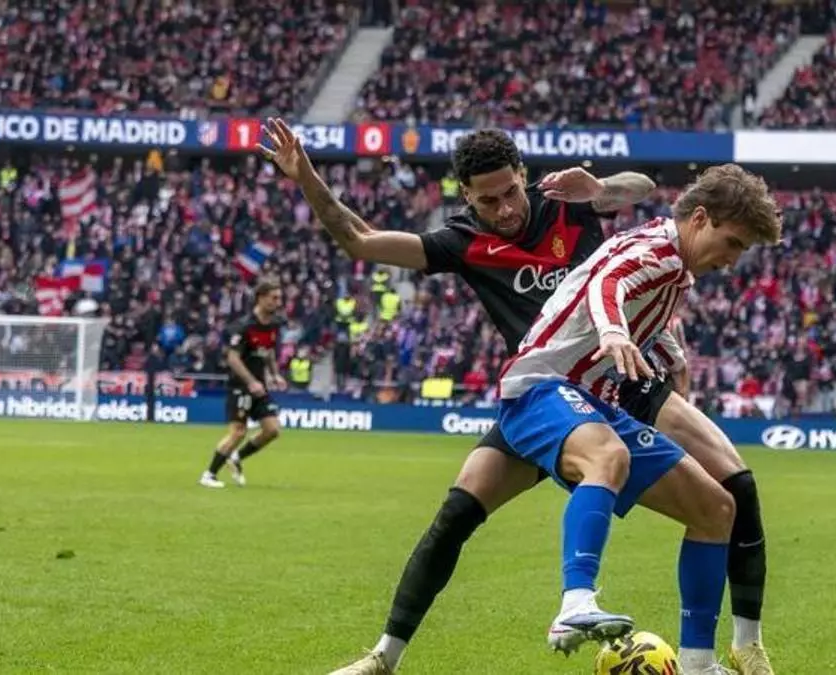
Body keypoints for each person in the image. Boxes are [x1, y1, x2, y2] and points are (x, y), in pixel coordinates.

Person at [258, 118, 776, 674]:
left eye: (511, 192)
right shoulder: (461, 241)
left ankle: (730, 651)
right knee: (457, 515)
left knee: (727, 497)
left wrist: (600, 188)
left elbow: (645, 190)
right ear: (466, 196)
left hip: (616, 384)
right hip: (543, 384)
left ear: (523, 175)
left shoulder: (567, 201)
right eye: (489, 200)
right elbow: (357, 239)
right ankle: (385, 657)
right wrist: (305, 175)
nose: (505, 208)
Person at [495, 165, 782, 673]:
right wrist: (612, 332)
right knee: (608, 455)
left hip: (595, 403)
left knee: (717, 509)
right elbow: (607, 282)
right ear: (700, 219)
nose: (733, 260)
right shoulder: (656, 251)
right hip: (539, 388)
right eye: (733, 242)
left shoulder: (674, 270)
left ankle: (698, 664)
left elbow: (640, 308)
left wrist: (672, 355)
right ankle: (575, 604)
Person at [198, 277, 286, 488]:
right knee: (238, 432)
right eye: (274, 298)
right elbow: (233, 358)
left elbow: (268, 351)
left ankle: (236, 458)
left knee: (272, 430)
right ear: (261, 298)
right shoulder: (243, 326)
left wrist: (275, 374)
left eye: (279, 298)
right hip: (240, 386)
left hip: (259, 386)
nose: (278, 302)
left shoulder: (274, 324)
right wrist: (251, 382)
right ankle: (209, 475)